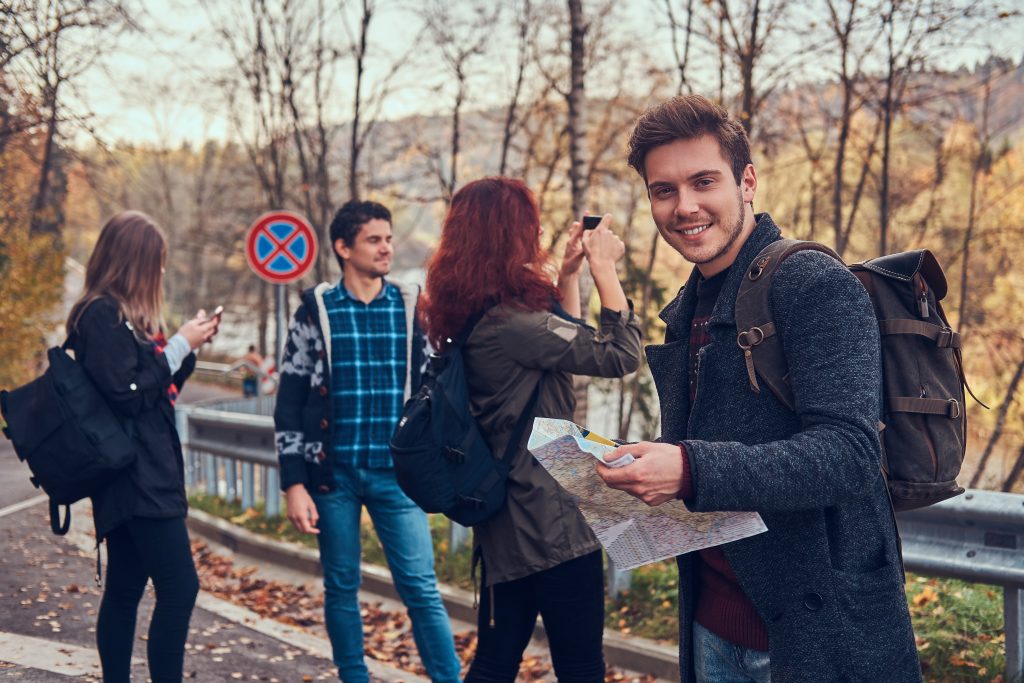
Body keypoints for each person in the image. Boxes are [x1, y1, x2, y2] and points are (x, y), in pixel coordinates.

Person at [596, 95, 921, 683]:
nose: (684, 206)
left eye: (703, 182)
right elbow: (725, 452)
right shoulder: (690, 306)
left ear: (747, 182)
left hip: (815, 634)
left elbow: (849, 455)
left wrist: (690, 469)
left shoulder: (813, 284)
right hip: (712, 627)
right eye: (663, 190)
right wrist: (649, 469)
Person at [419, 177, 642, 682]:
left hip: (504, 525)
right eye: (530, 225)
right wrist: (605, 267)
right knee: (580, 667)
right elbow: (618, 354)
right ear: (509, 236)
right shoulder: (516, 325)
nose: (538, 232)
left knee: (496, 663)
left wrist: (569, 275)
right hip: (552, 524)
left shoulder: (480, 318)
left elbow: (564, 341)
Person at [273, 199, 461, 683]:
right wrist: (294, 483)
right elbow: (289, 400)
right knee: (341, 585)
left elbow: (438, 387)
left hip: (398, 477)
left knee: (420, 587)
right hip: (331, 474)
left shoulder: (409, 305)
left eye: (389, 239)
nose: (386, 248)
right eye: (374, 239)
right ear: (343, 247)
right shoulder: (315, 310)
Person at [67, 211, 219, 682]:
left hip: (138, 473)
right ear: (135, 262)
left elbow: (154, 391)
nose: (162, 272)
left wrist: (185, 349)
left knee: (127, 587)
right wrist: (176, 346)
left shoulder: (120, 319)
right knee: (179, 588)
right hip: (139, 479)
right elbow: (126, 394)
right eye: (158, 262)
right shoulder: (101, 315)